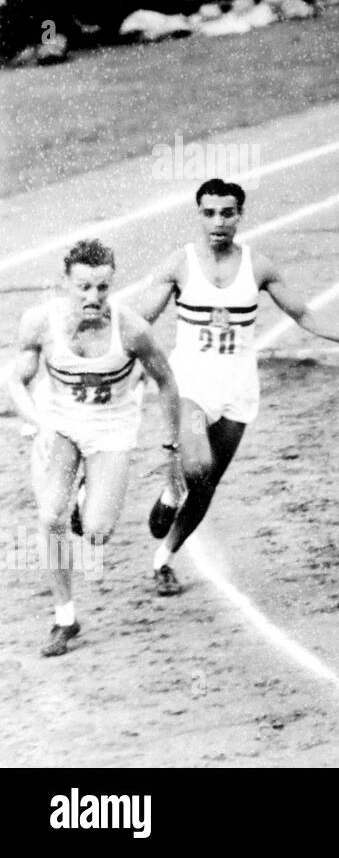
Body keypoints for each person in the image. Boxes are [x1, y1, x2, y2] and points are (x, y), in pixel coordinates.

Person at [133, 179, 339, 596]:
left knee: (209, 485)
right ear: (199, 215)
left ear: (239, 216)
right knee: (197, 468)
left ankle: (164, 559)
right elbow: (142, 319)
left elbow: (301, 312)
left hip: (238, 390)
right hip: (191, 382)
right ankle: (172, 488)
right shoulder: (181, 263)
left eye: (227, 213)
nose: (218, 221)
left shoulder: (258, 266)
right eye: (209, 213)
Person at [8, 240, 183, 657]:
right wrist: (38, 423)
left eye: (102, 288)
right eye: (84, 288)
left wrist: (171, 445)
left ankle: (87, 496)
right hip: (60, 426)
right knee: (49, 515)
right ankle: (64, 618)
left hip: (111, 430)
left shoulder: (132, 330)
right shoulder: (39, 323)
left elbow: (167, 382)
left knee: (97, 534)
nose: (94, 298)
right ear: (65, 283)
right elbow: (15, 381)